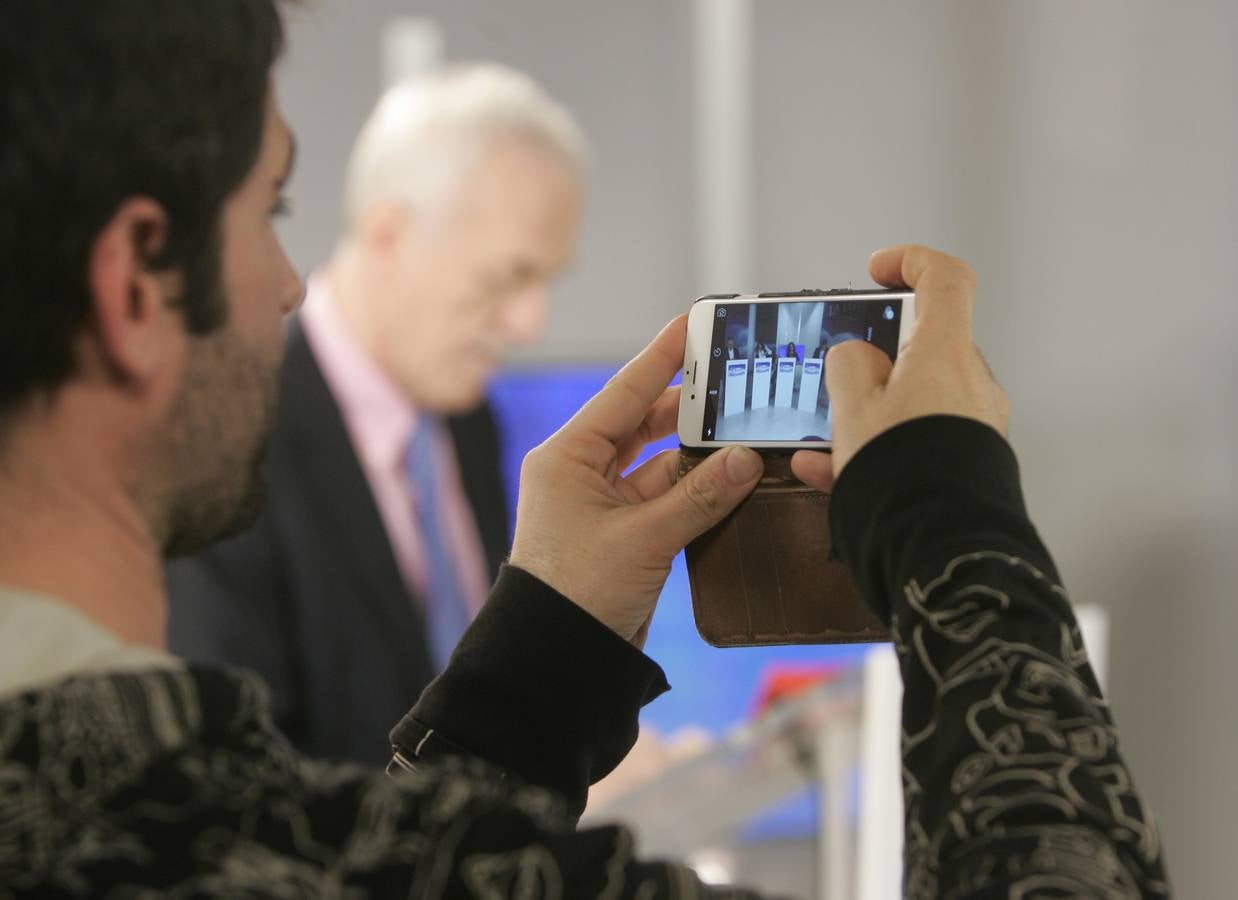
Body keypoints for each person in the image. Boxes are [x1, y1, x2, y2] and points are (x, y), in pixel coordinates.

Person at [0, 4, 1169, 898]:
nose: (291, 281)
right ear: (138, 281)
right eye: (272, 209)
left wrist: (538, 669)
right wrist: (952, 518)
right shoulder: (180, 832)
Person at [165, 64, 586, 765]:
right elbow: (240, 778)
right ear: (388, 233)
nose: (528, 322)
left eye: (545, 280)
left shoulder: (469, 422)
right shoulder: (229, 434)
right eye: (505, 277)